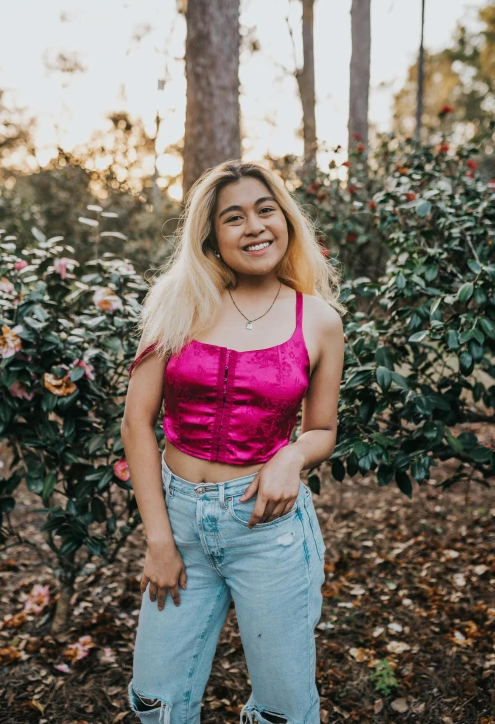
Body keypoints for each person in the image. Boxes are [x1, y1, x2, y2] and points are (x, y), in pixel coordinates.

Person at [122, 159, 346, 724]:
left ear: (287, 221)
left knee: (283, 711)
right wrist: (159, 540)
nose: (255, 226)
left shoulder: (318, 320)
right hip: (179, 522)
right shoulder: (178, 304)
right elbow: (136, 422)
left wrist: (291, 456)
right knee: (154, 699)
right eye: (234, 217)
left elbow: (321, 429)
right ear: (212, 237)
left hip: (268, 532)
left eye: (266, 210)